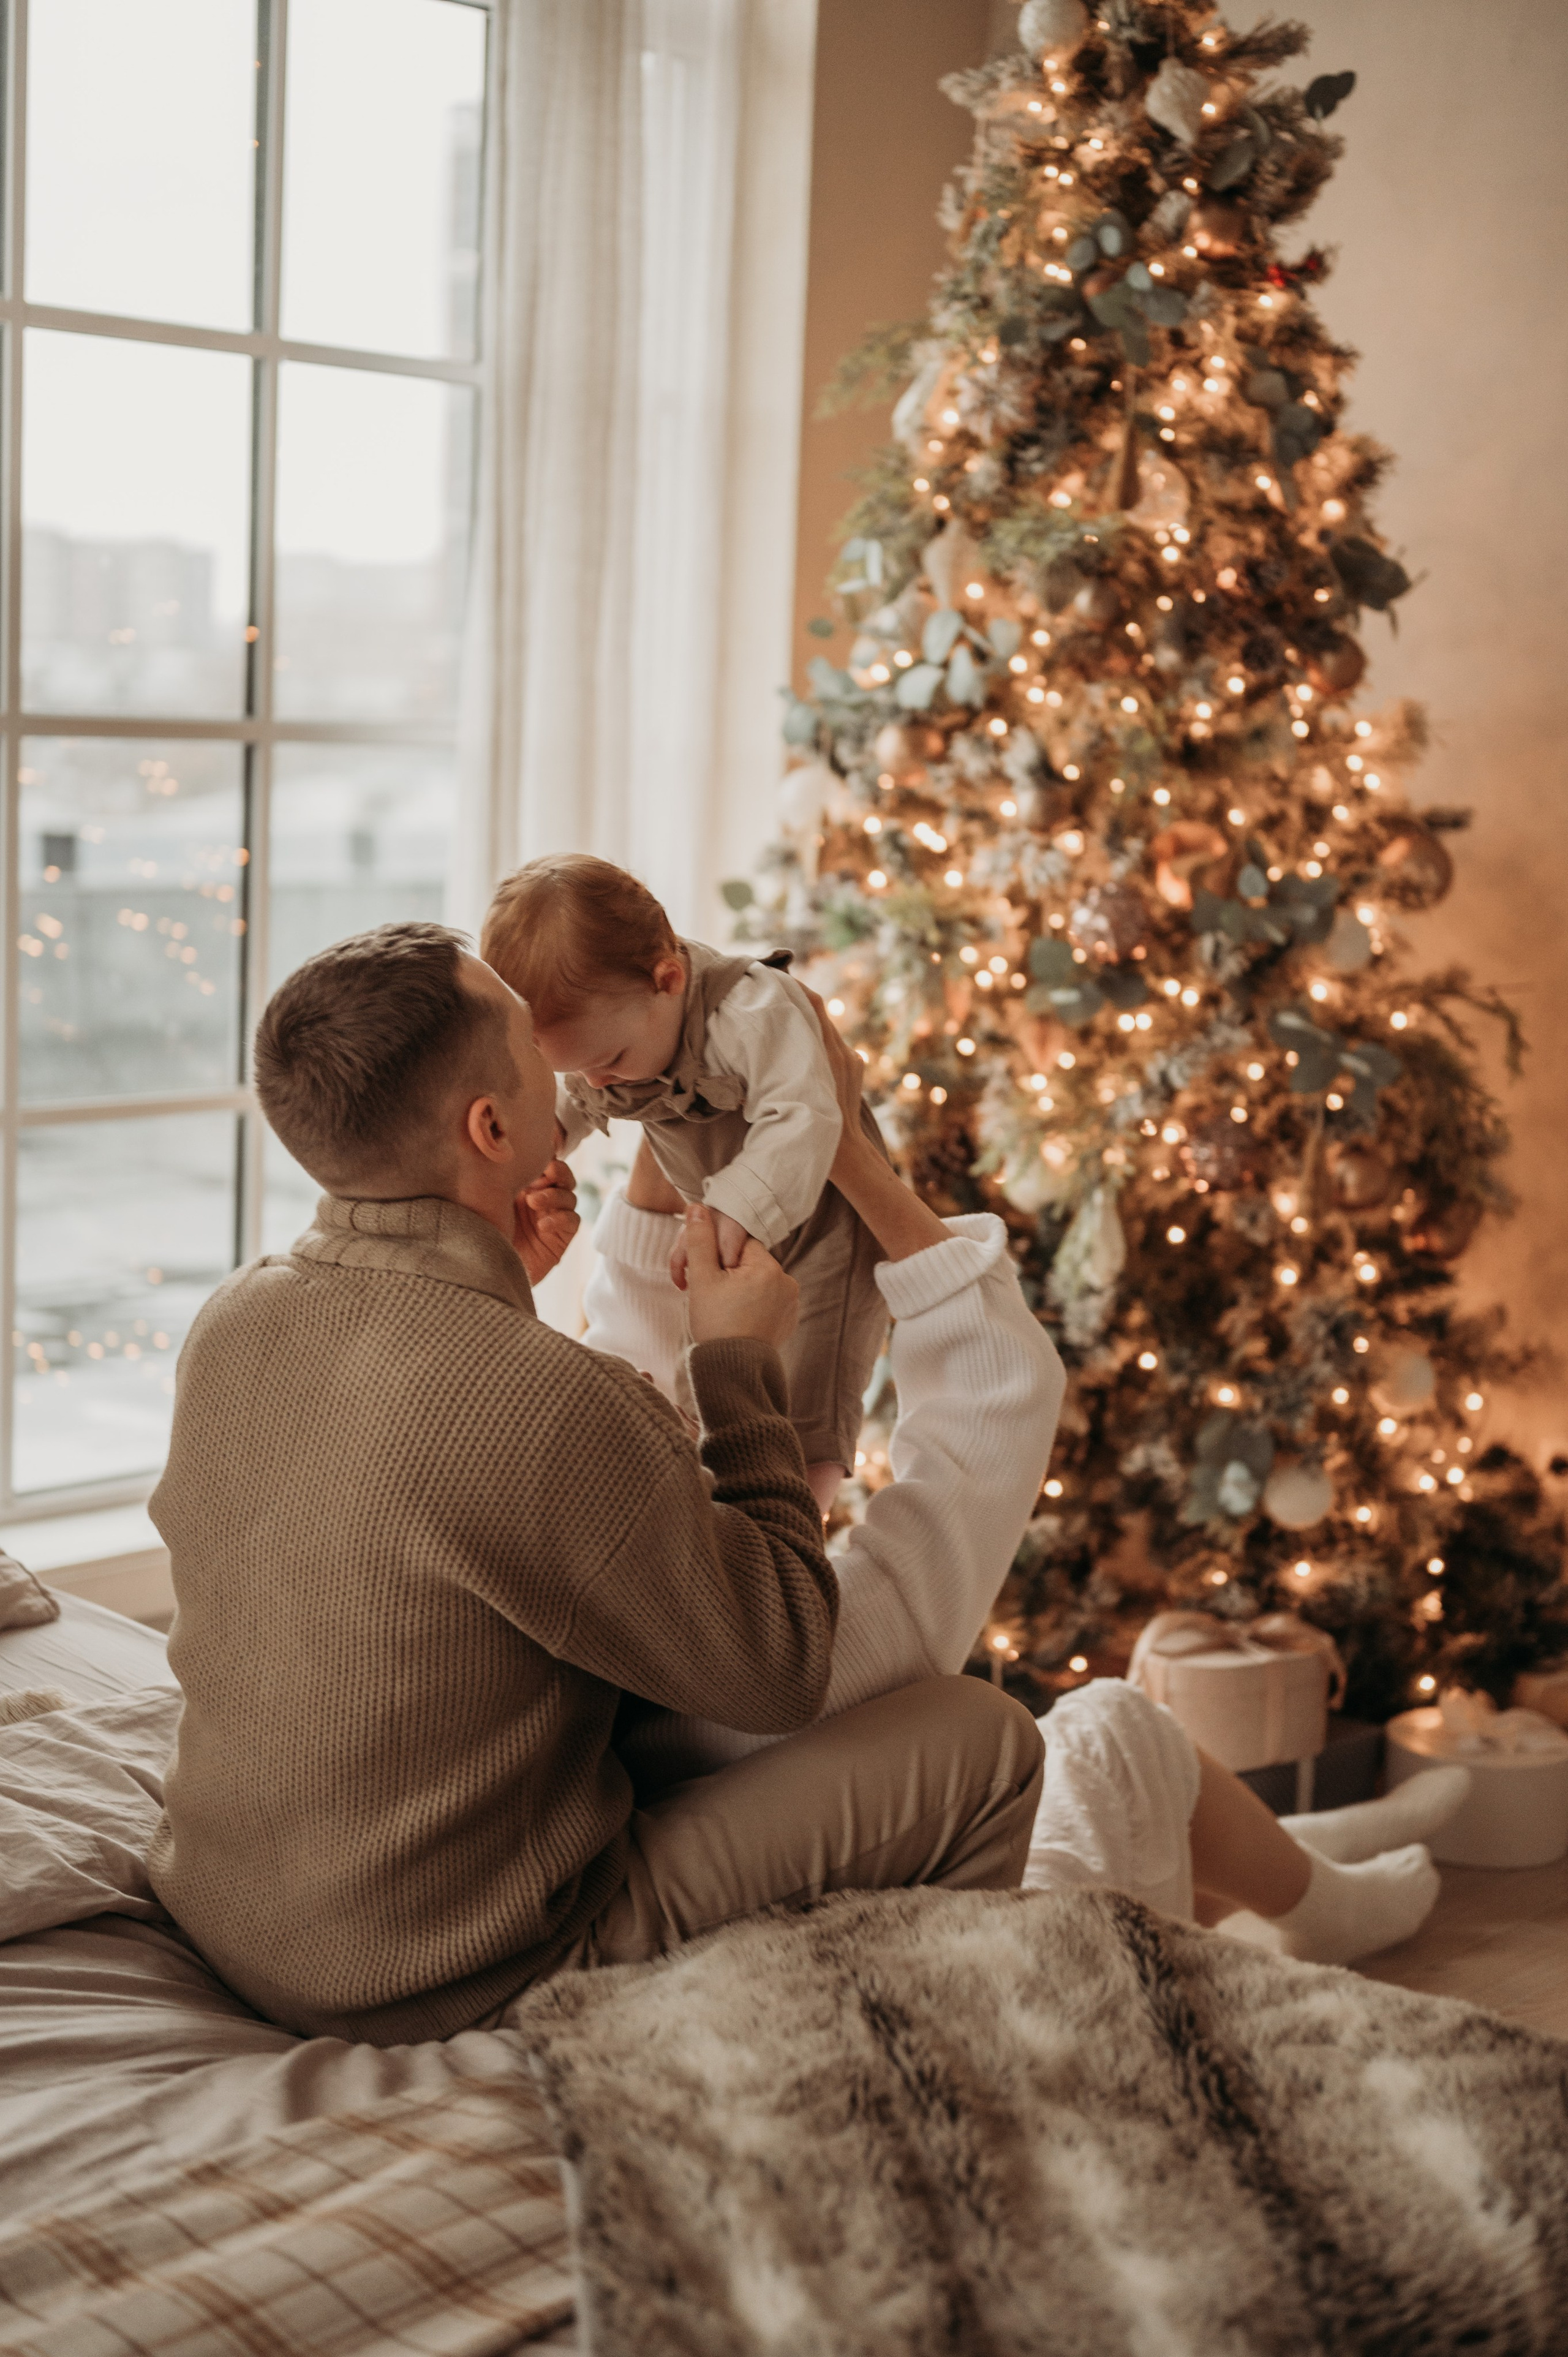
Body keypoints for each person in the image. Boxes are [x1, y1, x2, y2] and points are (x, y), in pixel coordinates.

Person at [145, 922, 1046, 2048]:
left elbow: (413, 1473)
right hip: (452, 1971)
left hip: (236, 1914)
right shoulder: (543, 1396)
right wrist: (738, 1370)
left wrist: (494, 1279)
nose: (560, 1058)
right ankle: (932, 2068)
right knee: (986, 1736)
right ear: (489, 1125)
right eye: (528, 1037)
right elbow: (778, 1658)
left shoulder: (234, 1319)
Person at [567, 1001, 1466, 1980]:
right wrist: (843, 1148)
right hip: (885, 1931)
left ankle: (1307, 1857)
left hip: (720, 1844)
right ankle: (1316, 1901)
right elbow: (992, 1416)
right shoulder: (775, 1657)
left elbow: (633, 1383)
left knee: (1089, 1749)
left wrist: (671, 1109)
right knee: (1112, 1733)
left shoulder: (560, 1494)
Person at [481, 853, 889, 1514]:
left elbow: (807, 1116)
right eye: (577, 1069)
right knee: (713, 1380)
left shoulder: (753, 1010)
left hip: (826, 1224)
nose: (600, 1082)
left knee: (811, 1391)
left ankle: (798, 1528)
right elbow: (583, 1093)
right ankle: (718, 1529)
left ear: (668, 978)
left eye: (608, 1061)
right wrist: (544, 1138)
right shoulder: (617, 1033)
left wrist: (733, 1205)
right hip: (726, 1228)